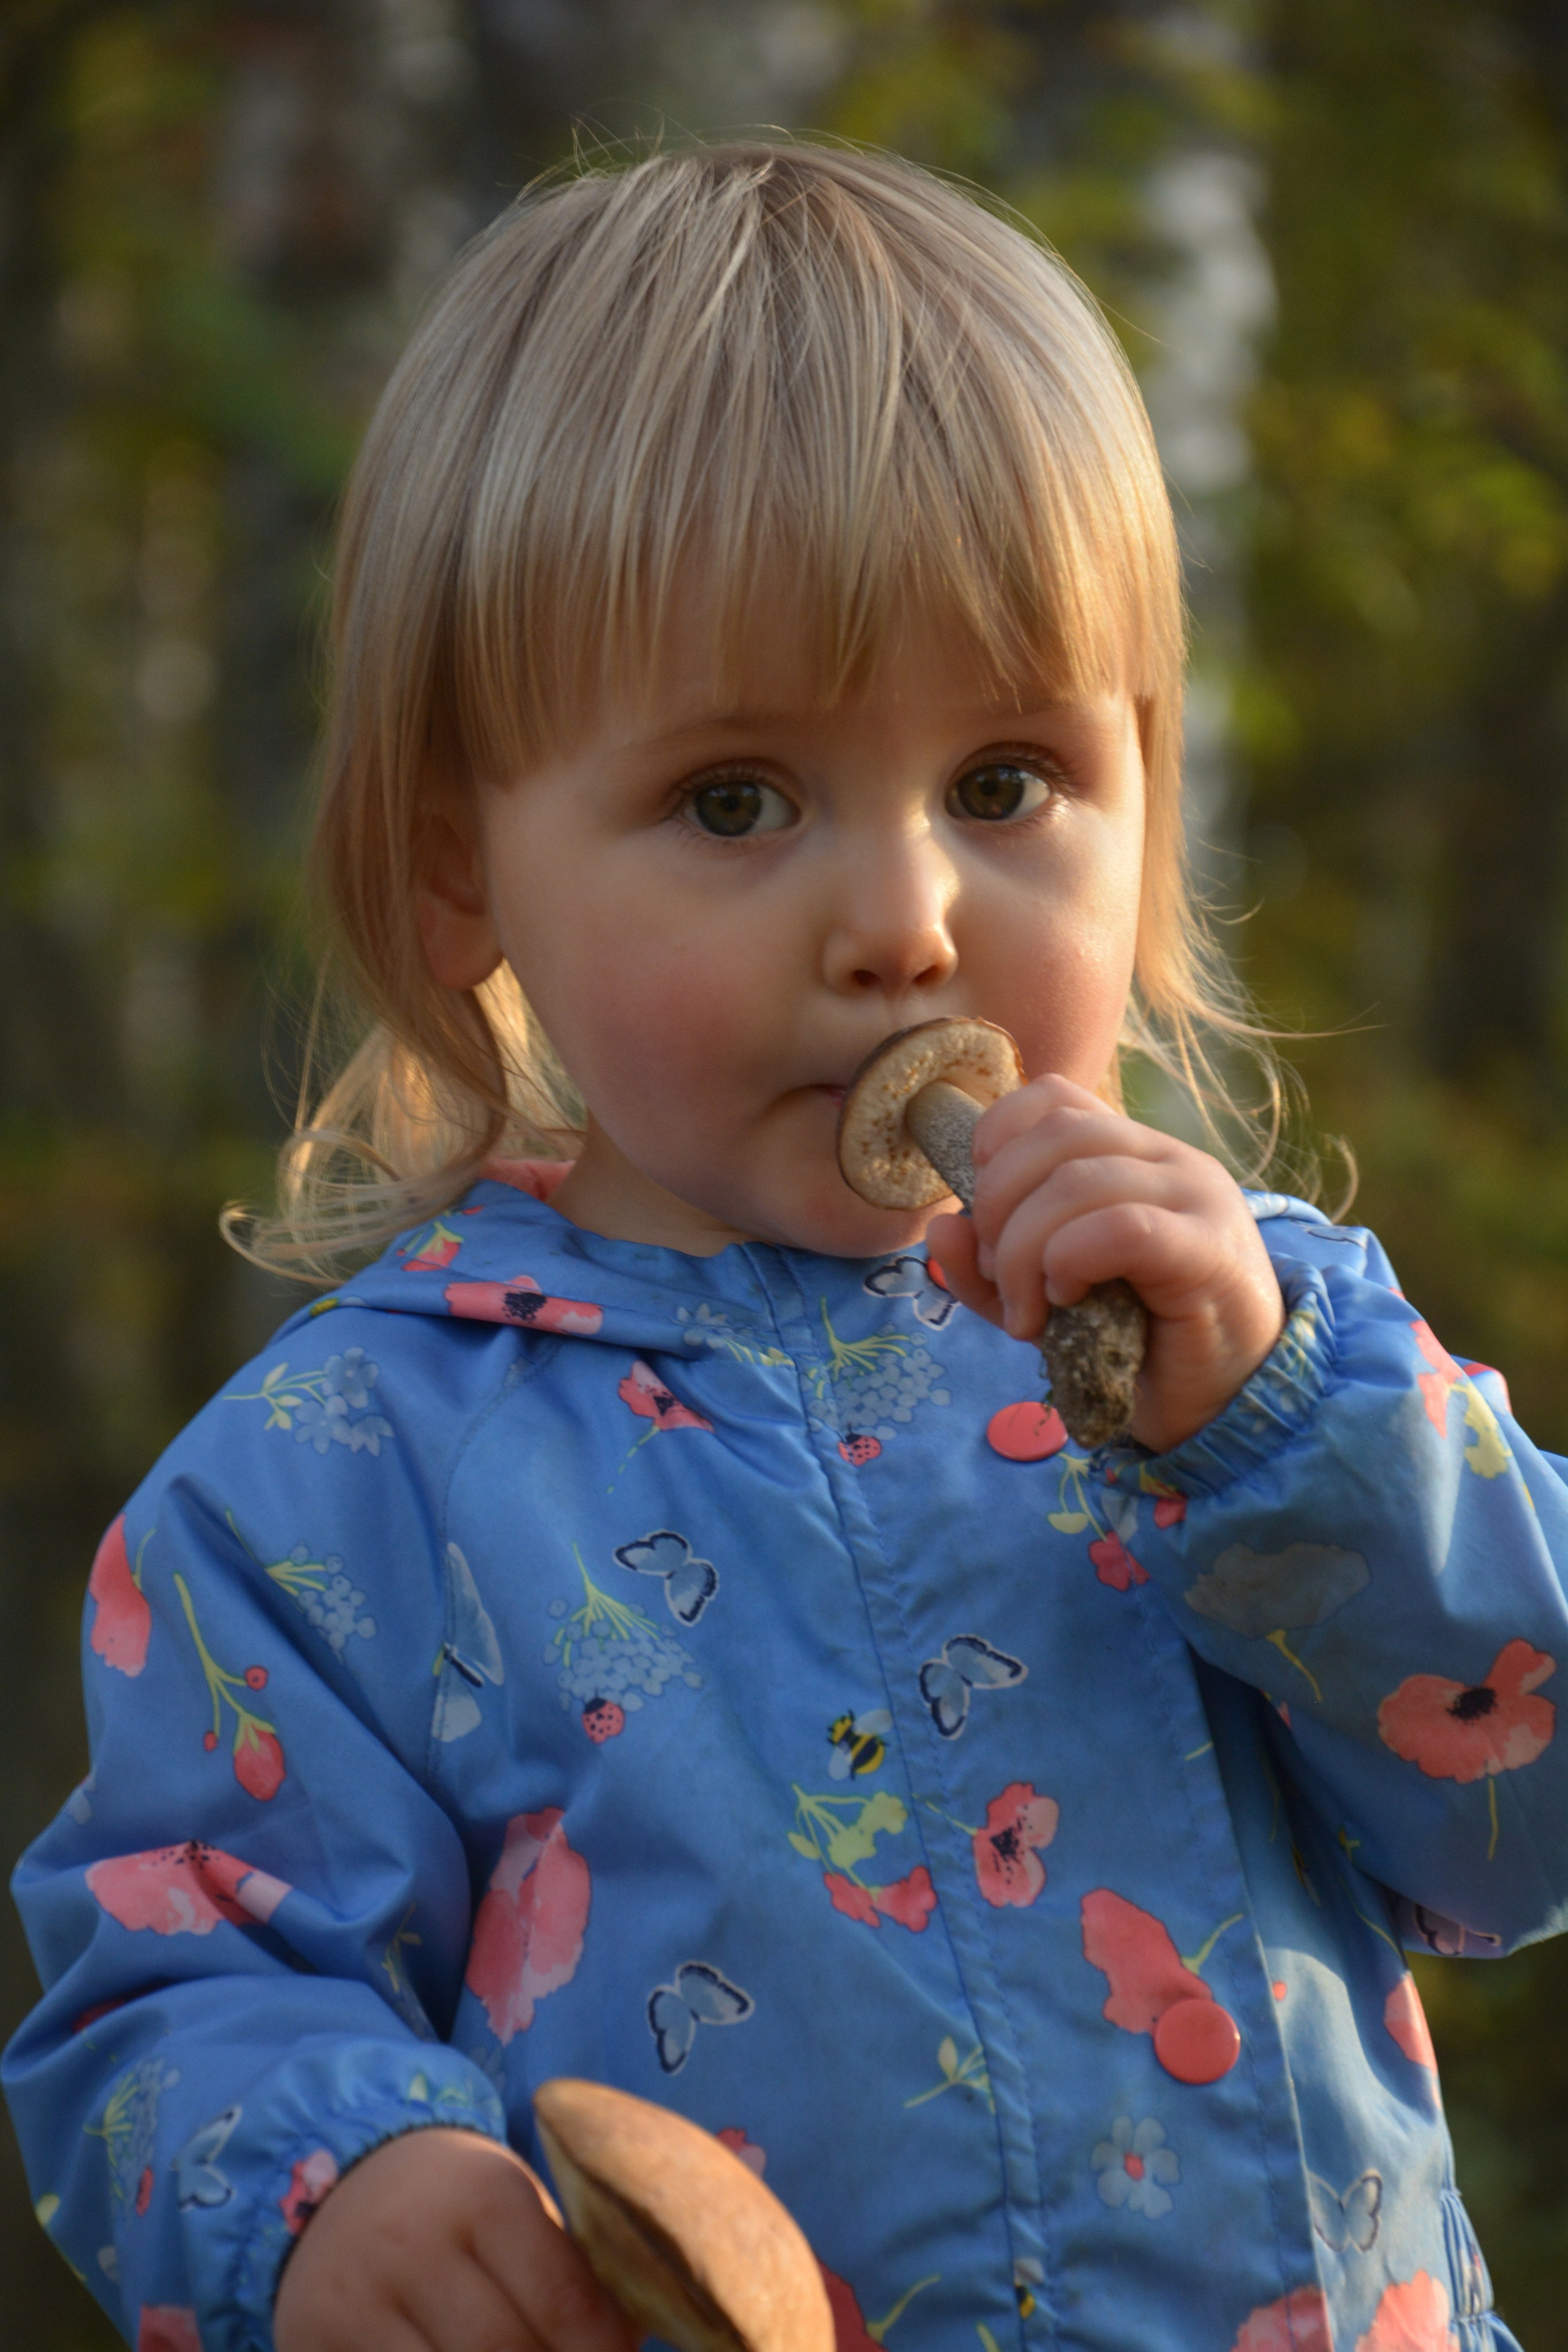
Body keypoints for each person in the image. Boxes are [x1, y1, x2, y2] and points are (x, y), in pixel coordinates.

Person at [4, 140, 1559, 2352]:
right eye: (739, 799)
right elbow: (176, 1974)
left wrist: (1291, 1439)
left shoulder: (1254, 1340)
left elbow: (1523, 1821)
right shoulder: (344, 1478)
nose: (909, 917)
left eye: (1011, 780)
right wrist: (344, 2180)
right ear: (466, 880)